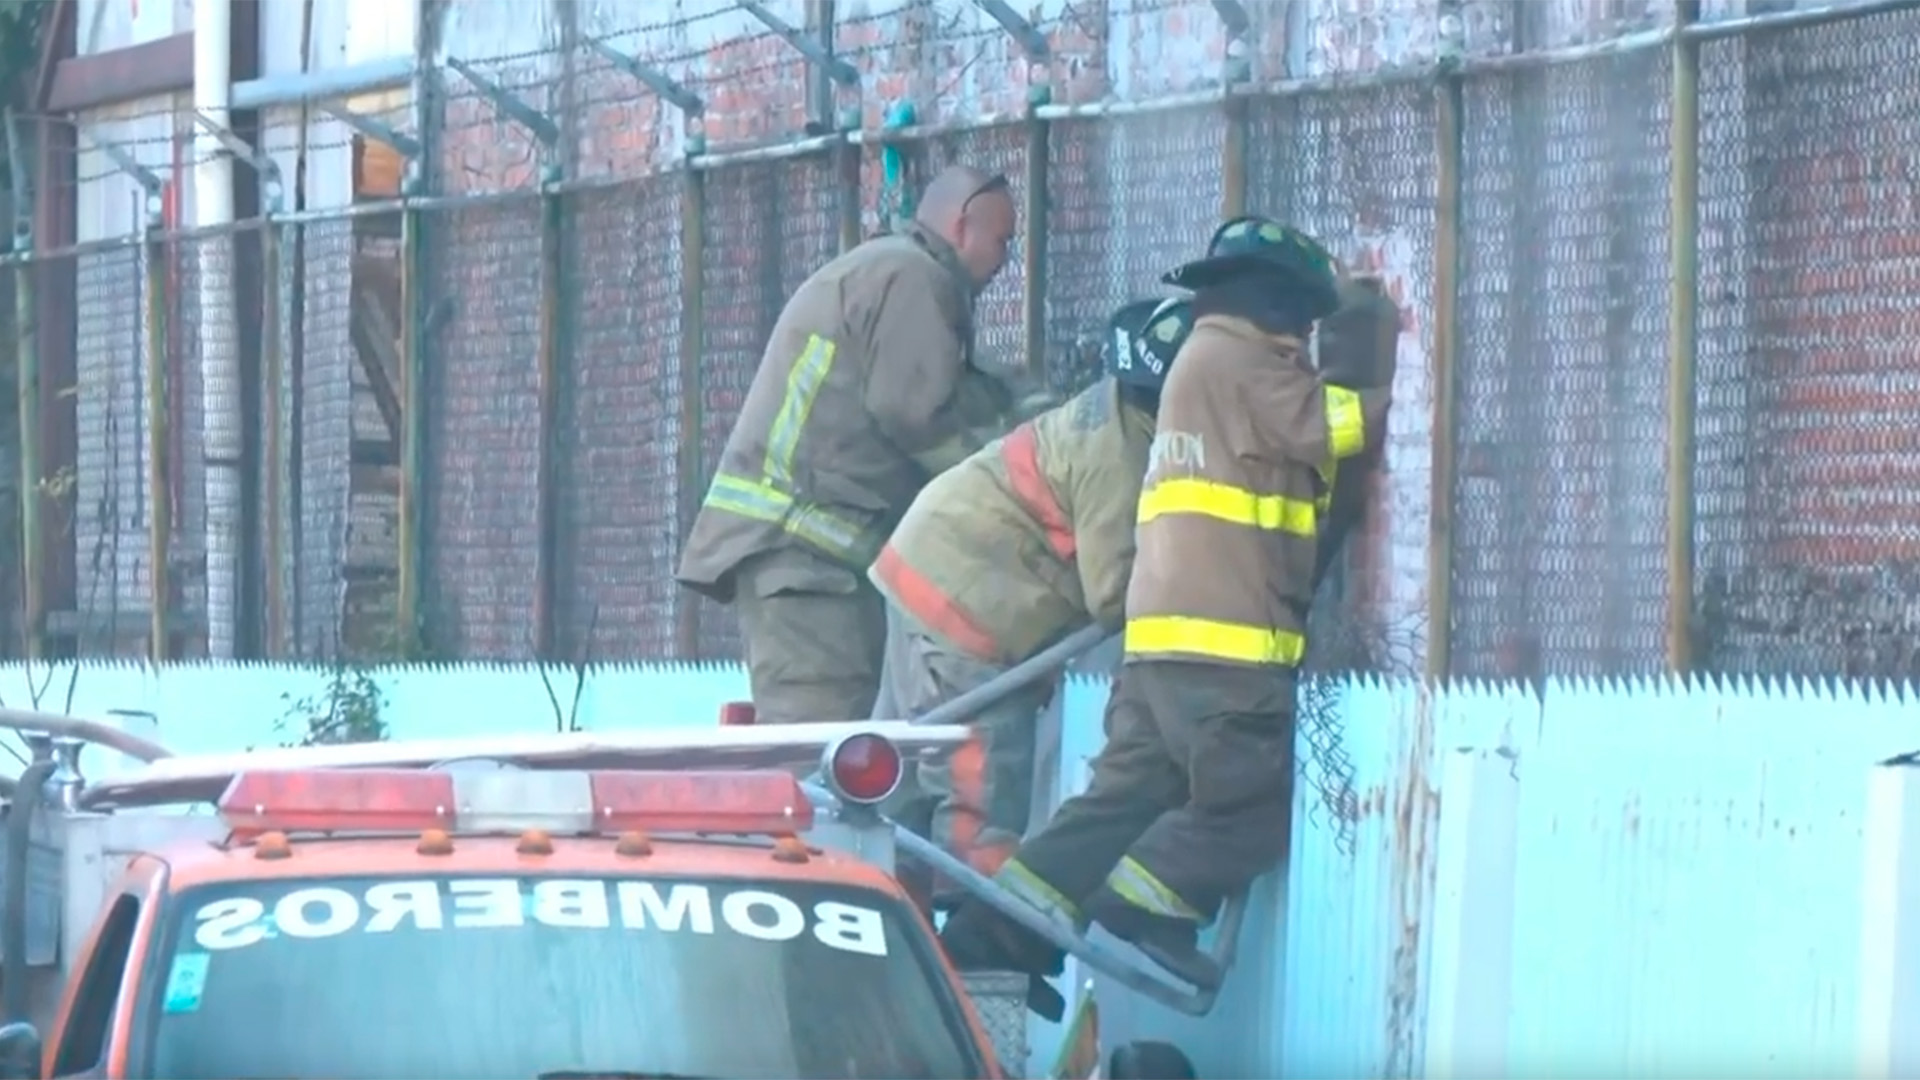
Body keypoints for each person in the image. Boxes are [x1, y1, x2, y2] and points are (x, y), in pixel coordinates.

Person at [936, 216, 1402, 1000]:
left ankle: (996, 933)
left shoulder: (1201, 361)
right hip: (1226, 649)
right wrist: (1401, 372)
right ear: (1276, 302)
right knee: (1249, 803)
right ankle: (1149, 905)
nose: (1306, 332)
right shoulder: (1244, 360)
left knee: (1119, 800)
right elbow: (1336, 427)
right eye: (1304, 316)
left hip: (1160, 648)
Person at [870, 296, 1197, 894]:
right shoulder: (1120, 457)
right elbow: (1113, 592)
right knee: (980, 800)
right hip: (964, 609)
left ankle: (898, 934)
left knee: (902, 784)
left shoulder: (1107, 411)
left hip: (924, 571)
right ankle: (980, 958)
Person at [676, 166, 1025, 725]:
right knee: (821, 761)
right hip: (807, 567)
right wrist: (1012, 492)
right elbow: (921, 417)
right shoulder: (913, 277)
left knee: (842, 758)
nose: (1006, 259)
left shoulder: (884, 270)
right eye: (1002, 240)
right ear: (962, 227)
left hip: (810, 566)